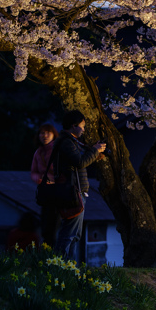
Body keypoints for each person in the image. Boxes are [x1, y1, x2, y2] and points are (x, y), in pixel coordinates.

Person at [53, 110, 106, 261]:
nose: (84, 129)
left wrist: (94, 152)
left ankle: (69, 266)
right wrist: (94, 151)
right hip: (72, 192)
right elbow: (81, 162)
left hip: (76, 191)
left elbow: (81, 159)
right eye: (82, 126)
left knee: (75, 234)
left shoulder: (71, 141)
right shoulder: (66, 143)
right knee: (69, 233)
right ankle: (61, 265)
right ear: (74, 126)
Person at [30, 123, 59, 248]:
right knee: (46, 224)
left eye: (48, 133)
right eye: (42, 133)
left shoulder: (58, 150)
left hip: (58, 191)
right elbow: (34, 172)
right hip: (45, 192)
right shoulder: (38, 153)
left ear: (54, 135)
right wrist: (40, 179)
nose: (45, 135)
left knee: (54, 224)